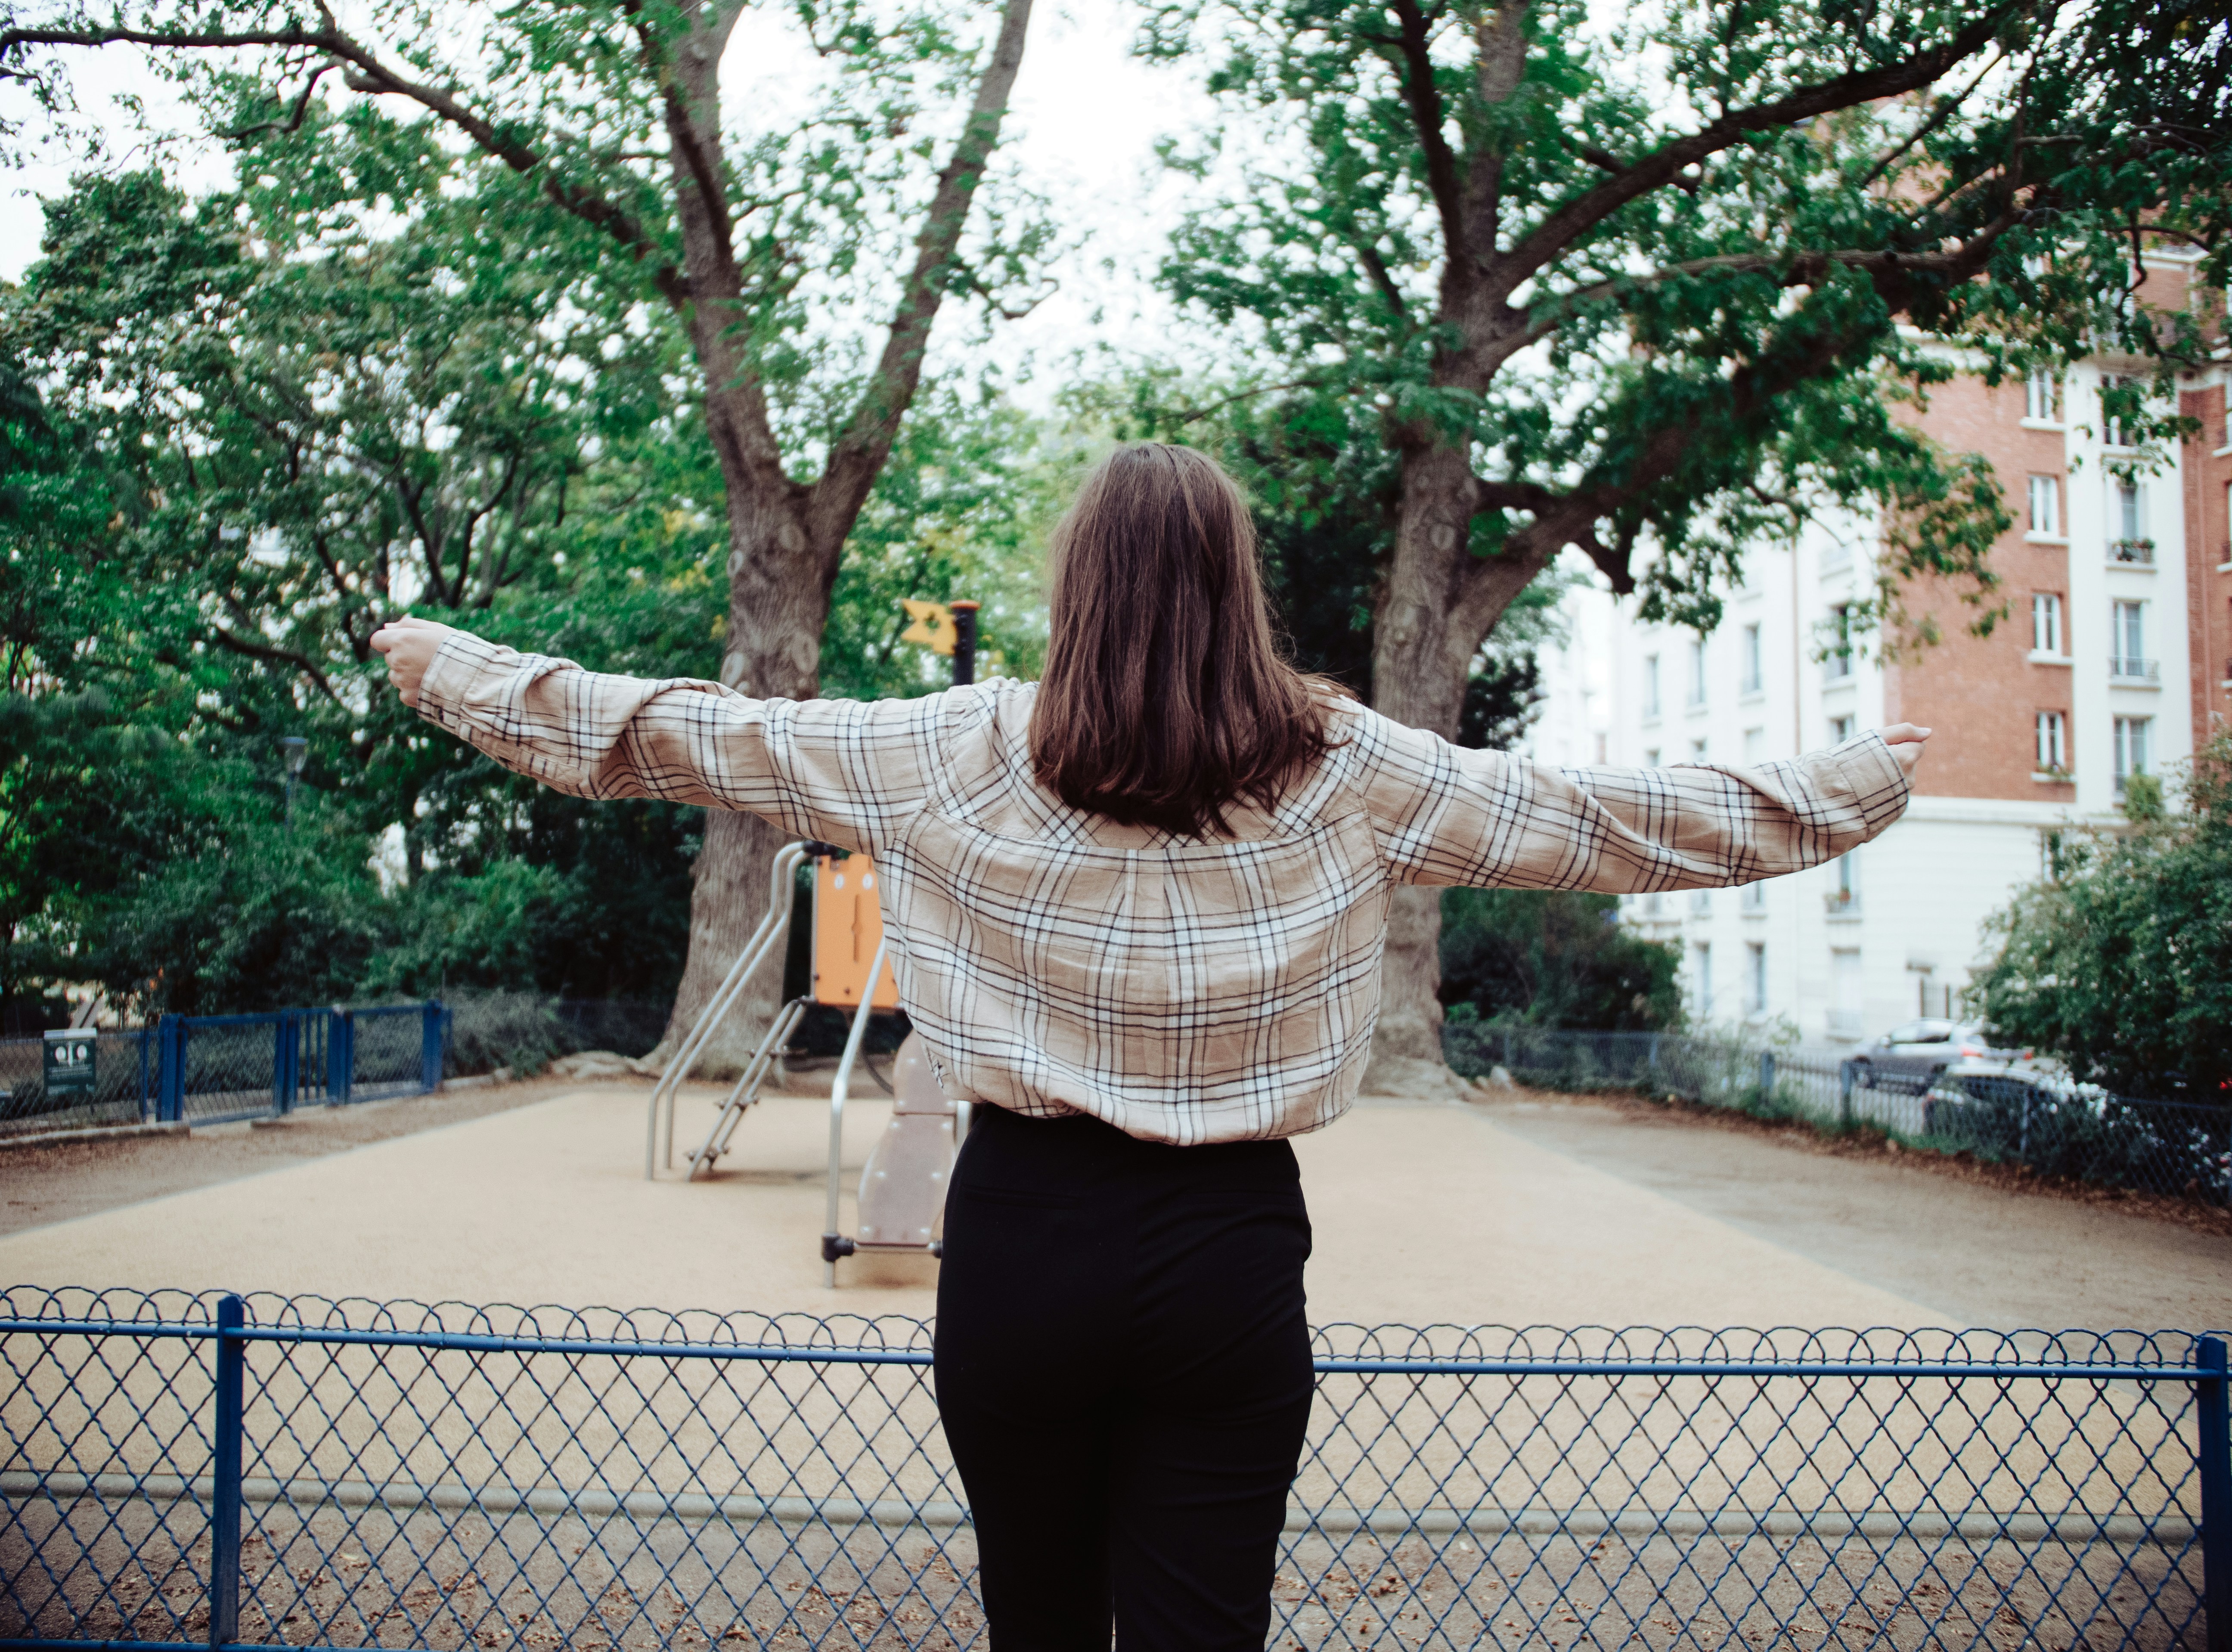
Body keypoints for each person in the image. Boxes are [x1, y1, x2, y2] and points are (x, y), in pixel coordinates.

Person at [372, 441, 1928, 1652]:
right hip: (1228, 1250)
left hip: (1023, 1240)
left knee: (1037, 1636)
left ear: (1080, 585)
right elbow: (1594, 822)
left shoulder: (947, 748)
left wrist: (453, 670)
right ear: (1235, 585)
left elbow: (687, 731)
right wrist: (1848, 787)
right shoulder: (1345, 767)